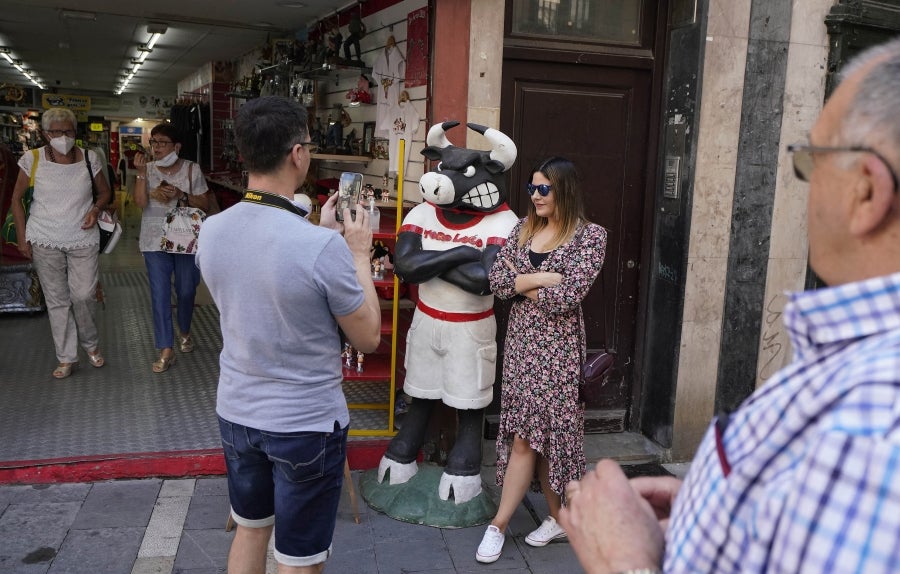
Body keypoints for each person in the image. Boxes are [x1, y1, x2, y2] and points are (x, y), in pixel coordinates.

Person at [558, 37, 900, 574]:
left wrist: (625, 562)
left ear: (866, 193)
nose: (805, 188)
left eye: (812, 161)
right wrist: (713, 510)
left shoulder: (874, 423)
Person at [195, 96, 381, 574]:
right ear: (298, 154)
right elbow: (367, 338)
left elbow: (263, 283)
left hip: (237, 410)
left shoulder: (212, 230)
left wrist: (319, 232)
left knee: (251, 526)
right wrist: (358, 253)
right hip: (304, 423)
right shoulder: (321, 248)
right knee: (300, 557)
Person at [477, 157, 607, 563]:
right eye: (532, 189)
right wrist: (537, 279)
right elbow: (497, 282)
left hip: (558, 353)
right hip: (520, 348)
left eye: (543, 189)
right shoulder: (523, 229)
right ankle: (528, 522)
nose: (534, 196)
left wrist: (521, 285)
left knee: (544, 439)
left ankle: (523, 522)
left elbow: (566, 297)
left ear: (563, 190)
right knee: (525, 436)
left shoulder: (591, 237)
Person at [9, 107, 112, 379]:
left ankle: (90, 343)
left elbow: (104, 193)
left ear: (75, 132)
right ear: (45, 134)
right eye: (56, 132)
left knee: (83, 295)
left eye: (67, 131)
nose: (62, 136)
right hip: (44, 237)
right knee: (57, 300)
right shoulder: (31, 159)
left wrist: (95, 209)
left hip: (82, 237)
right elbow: (16, 199)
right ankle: (67, 357)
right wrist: (22, 237)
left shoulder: (90, 158)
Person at [133, 123, 209, 373]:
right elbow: (140, 203)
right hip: (153, 240)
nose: (156, 148)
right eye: (153, 142)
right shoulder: (147, 169)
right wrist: (141, 174)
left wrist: (179, 194)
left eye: (162, 142)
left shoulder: (191, 169)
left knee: (187, 289)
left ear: (176, 146)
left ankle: (184, 329)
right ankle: (166, 348)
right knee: (160, 294)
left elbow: (205, 203)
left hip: (185, 241)